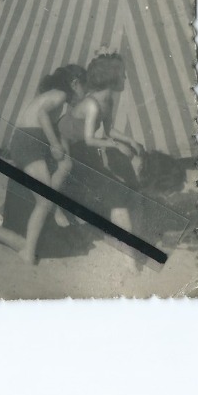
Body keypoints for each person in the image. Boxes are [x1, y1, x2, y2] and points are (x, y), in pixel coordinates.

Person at [0, 65, 86, 264]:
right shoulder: (61, 95)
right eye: (83, 89)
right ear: (75, 83)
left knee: (41, 196)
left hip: (26, 142)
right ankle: (23, 247)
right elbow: (42, 115)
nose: (83, 94)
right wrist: (54, 144)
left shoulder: (50, 94)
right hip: (29, 144)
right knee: (44, 201)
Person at [58, 52, 143, 269]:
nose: (125, 79)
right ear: (111, 78)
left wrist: (130, 140)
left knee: (123, 190)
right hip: (71, 152)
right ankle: (130, 261)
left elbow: (109, 129)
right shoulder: (92, 104)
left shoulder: (109, 101)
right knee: (117, 198)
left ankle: (128, 244)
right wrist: (116, 145)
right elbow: (89, 138)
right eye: (122, 75)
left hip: (85, 152)